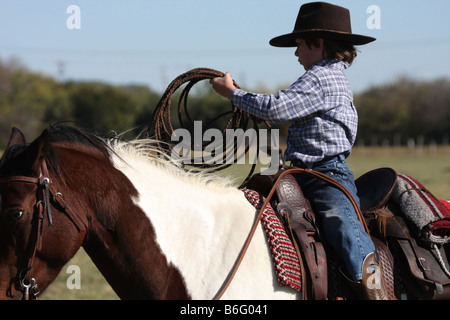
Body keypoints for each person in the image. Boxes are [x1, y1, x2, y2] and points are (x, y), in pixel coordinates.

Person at [210, 2, 389, 299]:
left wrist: (232, 94)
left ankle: (373, 287)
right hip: (305, 170)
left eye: (299, 46)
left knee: (342, 224)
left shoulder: (322, 77)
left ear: (318, 44)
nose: (295, 54)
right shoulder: (323, 76)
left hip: (326, 174)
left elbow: (278, 109)